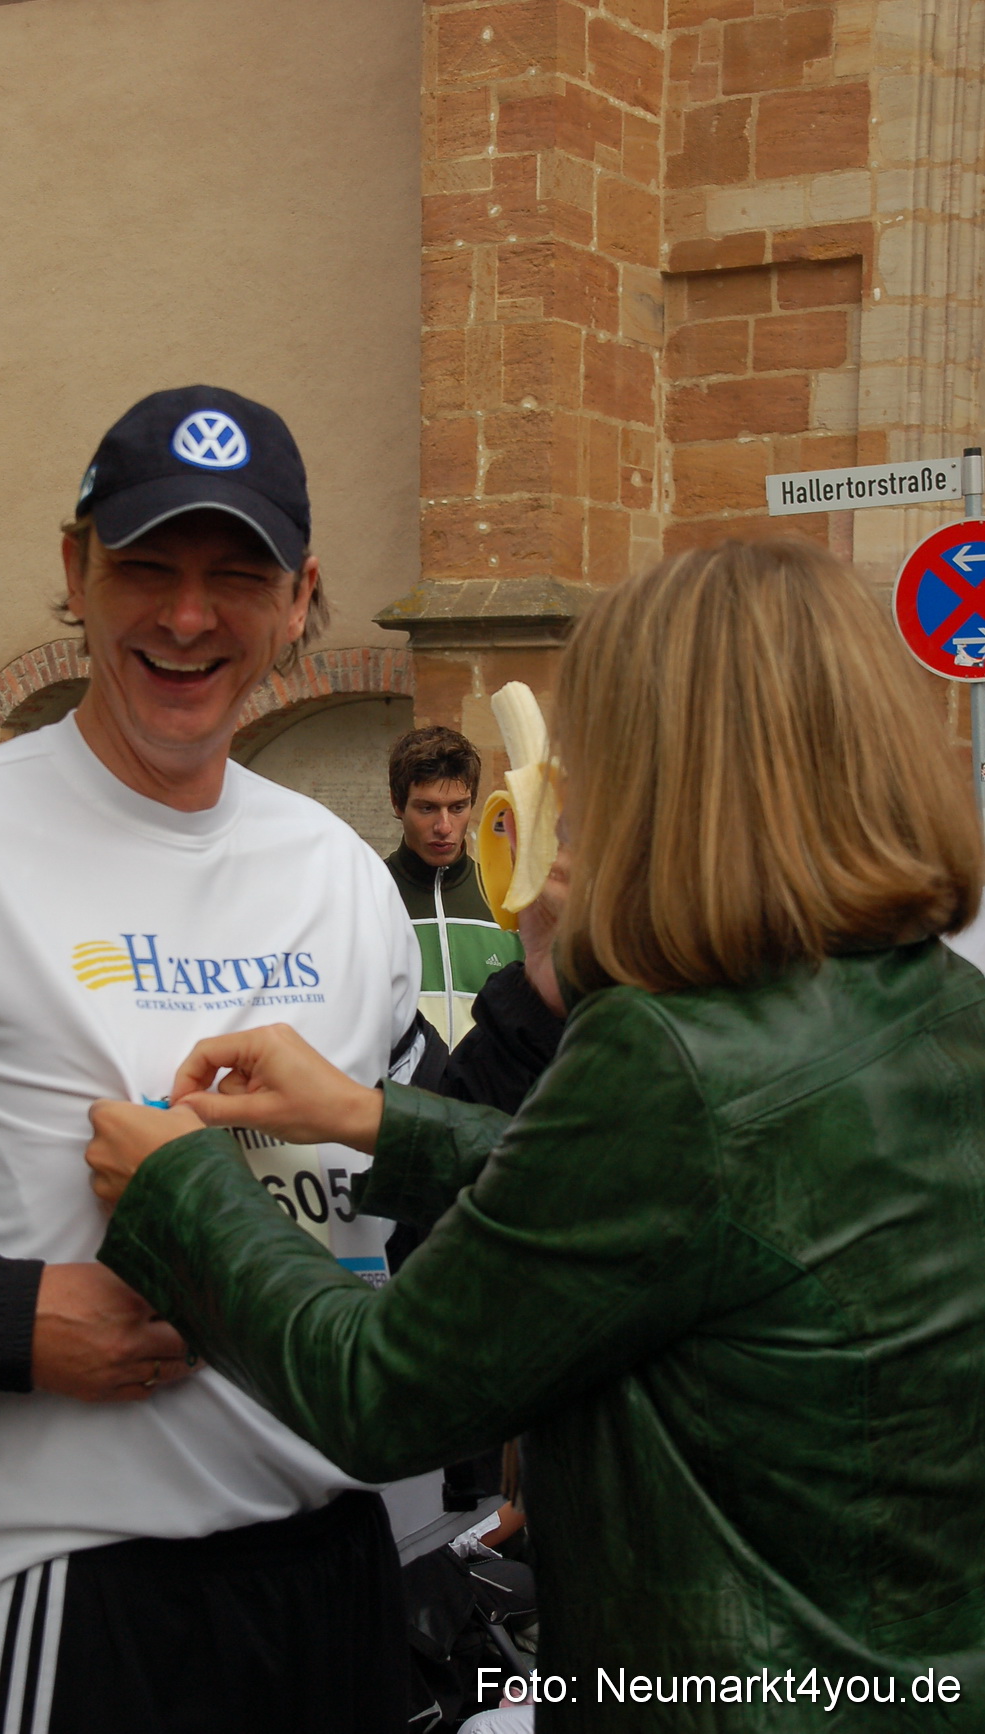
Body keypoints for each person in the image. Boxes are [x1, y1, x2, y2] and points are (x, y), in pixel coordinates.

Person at [88, 538, 985, 1731]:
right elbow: (702, 1221)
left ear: (669, 773)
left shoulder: (667, 1056)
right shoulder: (932, 1002)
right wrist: (372, 1116)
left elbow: (386, 1390)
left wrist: (182, 1190)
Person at [0, 384, 420, 1734]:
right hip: (66, 1586)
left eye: (237, 576)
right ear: (73, 571)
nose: (187, 615)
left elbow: (431, 1197)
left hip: (332, 1576)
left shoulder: (337, 869)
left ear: (299, 596)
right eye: (144, 565)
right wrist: (5, 1322)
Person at [385, 727, 524, 1049]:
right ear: (397, 804)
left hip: (486, 1097)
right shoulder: (367, 895)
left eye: (458, 808)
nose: (444, 827)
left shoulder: (507, 898)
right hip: (399, 1096)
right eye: (427, 808)